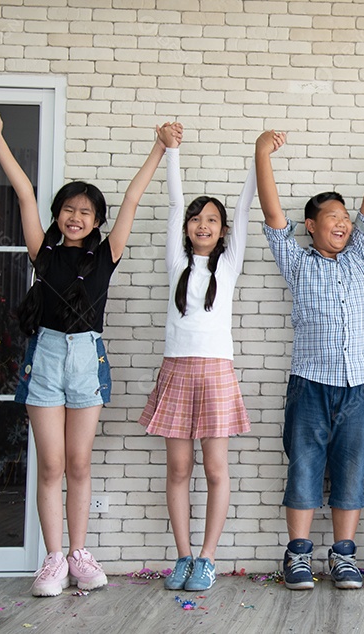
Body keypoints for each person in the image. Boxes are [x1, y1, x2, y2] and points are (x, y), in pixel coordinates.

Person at [0, 110, 164, 597]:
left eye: (86, 212)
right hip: (45, 357)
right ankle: (54, 560)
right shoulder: (43, 251)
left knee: (79, 463)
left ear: (97, 221)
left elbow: (132, 197)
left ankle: (80, 554)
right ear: (60, 213)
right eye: (69, 209)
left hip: (87, 358)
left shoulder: (107, 255)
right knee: (52, 465)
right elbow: (23, 192)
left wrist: (160, 148)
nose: (75, 216)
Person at [255, 126, 364, 590]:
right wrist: (262, 153)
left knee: (351, 470)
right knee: (304, 466)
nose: (342, 222)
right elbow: (271, 211)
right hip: (309, 383)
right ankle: (299, 555)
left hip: (360, 386)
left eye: (345, 217)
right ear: (311, 226)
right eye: (332, 216)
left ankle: (343, 556)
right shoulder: (297, 261)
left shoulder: (357, 255)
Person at [139, 123, 256, 592]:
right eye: (195, 219)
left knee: (215, 469)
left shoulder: (228, 263)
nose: (202, 225)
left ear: (222, 229)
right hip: (176, 369)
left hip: (215, 372)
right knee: (178, 470)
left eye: (211, 220)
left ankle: (208, 557)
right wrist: (170, 151)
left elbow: (246, 209)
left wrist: (257, 154)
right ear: (187, 228)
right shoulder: (177, 261)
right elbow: (172, 202)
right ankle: (183, 556)